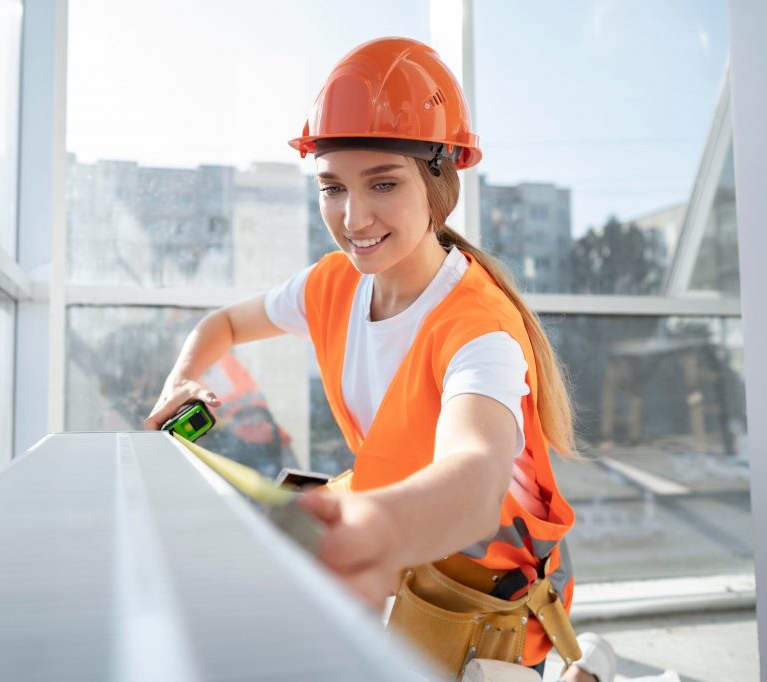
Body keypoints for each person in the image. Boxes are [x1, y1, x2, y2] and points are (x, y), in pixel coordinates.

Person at [145, 37, 589, 680]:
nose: (354, 217)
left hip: (488, 594)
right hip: (405, 550)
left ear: (441, 183)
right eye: (332, 188)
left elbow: (474, 476)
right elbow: (223, 324)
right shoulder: (334, 285)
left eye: (383, 183)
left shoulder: (479, 329)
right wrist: (182, 379)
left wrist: (376, 527)